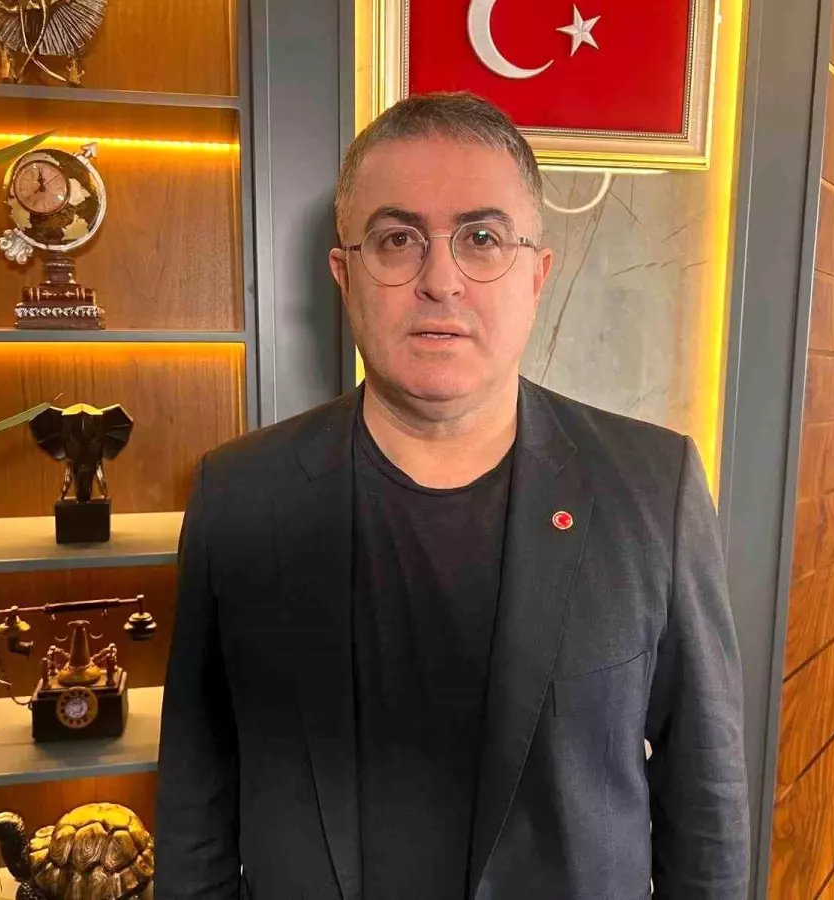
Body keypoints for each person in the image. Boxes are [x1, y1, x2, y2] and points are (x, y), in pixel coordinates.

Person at [155, 91, 750, 900]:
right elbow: (195, 803)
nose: (440, 281)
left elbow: (706, 806)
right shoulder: (239, 497)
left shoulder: (654, 487)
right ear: (345, 275)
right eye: (397, 240)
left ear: (537, 275)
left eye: (482, 239)